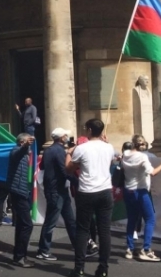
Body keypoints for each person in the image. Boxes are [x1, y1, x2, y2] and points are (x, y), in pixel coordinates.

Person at [66, 119, 114, 277]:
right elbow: (109, 161)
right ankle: (103, 268)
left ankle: (79, 268)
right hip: (105, 191)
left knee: (82, 230)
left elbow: (69, 169)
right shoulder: (109, 147)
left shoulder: (81, 148)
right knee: (104, 231)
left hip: (87, 191)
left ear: (89, 130)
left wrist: (68, 154)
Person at [121, 139, 161, 261]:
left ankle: (129, 248)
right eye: (143, 144)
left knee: (132, 219)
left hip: (128, 191)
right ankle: (146, 249)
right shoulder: (142, 157)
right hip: (140, 191)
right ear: (138, 145)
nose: (145, 146)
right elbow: (152, 172)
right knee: (150, 219)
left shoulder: (125, 155)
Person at [37, 128, 77, 261]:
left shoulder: (48, 150)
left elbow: (42, 167)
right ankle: (43, 250)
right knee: (51, 221)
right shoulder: (59, 151)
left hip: (55, 189)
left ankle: (79, 246)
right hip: (57, 190)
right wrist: (77, 182)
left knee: (69, 220)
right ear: (61, 138)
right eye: (66, 135)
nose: (67, 137)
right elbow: (64, 170)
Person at [5, 133, 36, 268]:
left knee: (21, 224)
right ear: (22, 142)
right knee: (27, 224)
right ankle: (20, 256)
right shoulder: (16, 150)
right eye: (28, 142)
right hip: (17, 191)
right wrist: (25, 146)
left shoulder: (23, 154)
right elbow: (18, 153)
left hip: (21, 190)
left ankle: (19, 255)